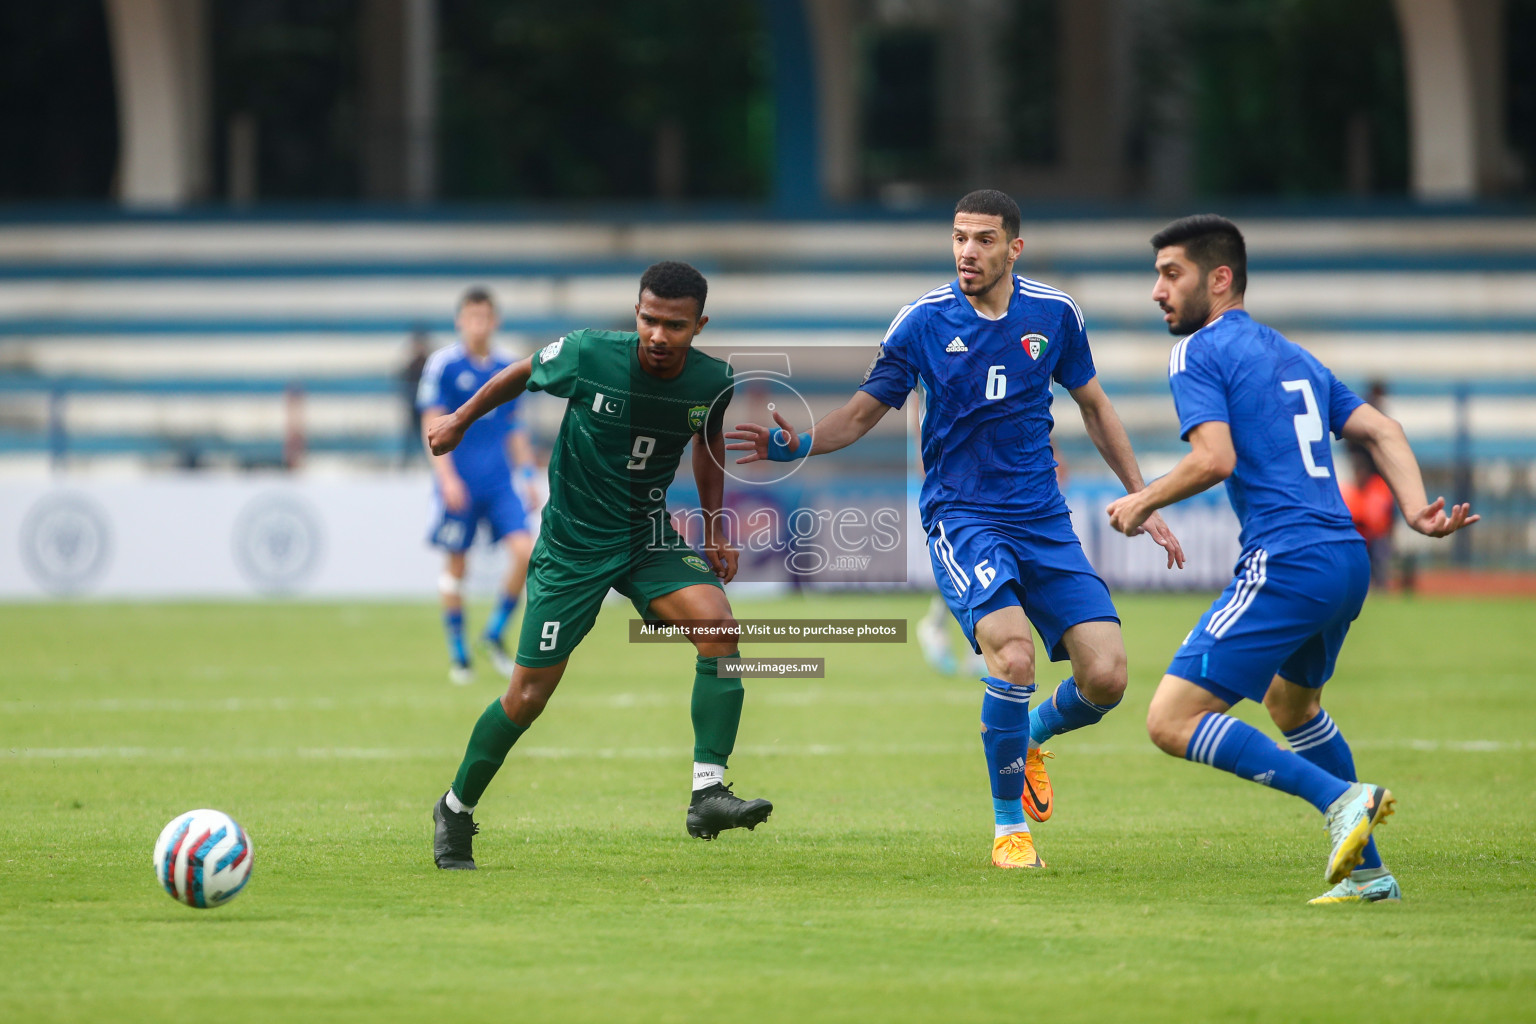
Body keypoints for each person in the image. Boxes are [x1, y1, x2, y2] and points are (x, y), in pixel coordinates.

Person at [729, 190, 1184, 870]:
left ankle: (1027, 737)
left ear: (1013, 248)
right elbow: (859, 414)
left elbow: (1093, 404)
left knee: (1109, 678)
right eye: (959, 238)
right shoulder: (921, 322)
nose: (967, 251)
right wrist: (797, 446)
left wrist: (1143, 495)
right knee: (1014, 656)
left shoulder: (1055, 314)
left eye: (982, 239)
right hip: (963, 516)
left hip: (1042, 518)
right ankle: (1009, 831)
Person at [1107, 214, 1477, 904]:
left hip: (1289, 557)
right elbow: (1380, 428)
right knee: (1290, 702)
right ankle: (1369, 874)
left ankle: (1341, 798)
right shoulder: (1290, 355)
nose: (1157, 291)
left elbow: (1214, 460)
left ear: (1220, 279)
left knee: (1169, 720)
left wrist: (1143, 501)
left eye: (1170, 274)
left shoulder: (1198, 352)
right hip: (1343, 560)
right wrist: (1415, 505)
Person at [425, 261, 772, 870]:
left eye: (675, 325)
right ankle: (455, 808)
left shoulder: (713, 381)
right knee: (528, 696)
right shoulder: (589, 355)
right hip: (573, 546)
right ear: (637, 314)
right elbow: (521, 374)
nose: (660, 336)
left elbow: (708, 445)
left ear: (699, 325)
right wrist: (459, 419)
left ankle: (707, 791)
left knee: (719, 628)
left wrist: (716, 524)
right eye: (649, 321)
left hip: (646, 537)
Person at [418, 287, 539, 685]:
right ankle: (459, 654)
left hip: (500, 481)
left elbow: (514, 428)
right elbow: (432, 422)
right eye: (471, 317)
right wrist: (446, 477)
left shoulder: (507, 366)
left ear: (495, 321)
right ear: (460, 321)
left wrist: (527, 476)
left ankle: (493, 634)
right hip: (461, 482)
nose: (478, 324)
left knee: (525, 552)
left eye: (484, 317)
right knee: (457, 566)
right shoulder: (444, 365)